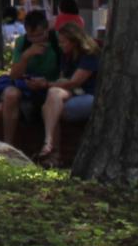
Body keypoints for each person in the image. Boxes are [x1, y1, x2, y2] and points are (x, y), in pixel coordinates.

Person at [0, 10, 60, 146]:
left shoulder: (57, 41)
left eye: (39, 35)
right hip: (25, 87)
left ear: (47, 29)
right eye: (31, 36)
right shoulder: (22, 42)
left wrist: (46, 83)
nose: (36, 40)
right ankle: (7, 144)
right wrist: (26, 56)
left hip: (48, 88)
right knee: (10, 95)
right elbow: (14, 75)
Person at [36, 22, 100, 166]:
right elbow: (63, 79)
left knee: (51, 109)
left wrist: (46, 84)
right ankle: (52, 149)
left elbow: (74, 83)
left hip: (90, 97)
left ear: (74, 41)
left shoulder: (89, 55)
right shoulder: (67, 56)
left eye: (63, 42)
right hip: (73, 95)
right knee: (52, 99)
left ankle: (52, 149)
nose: (60, 45)